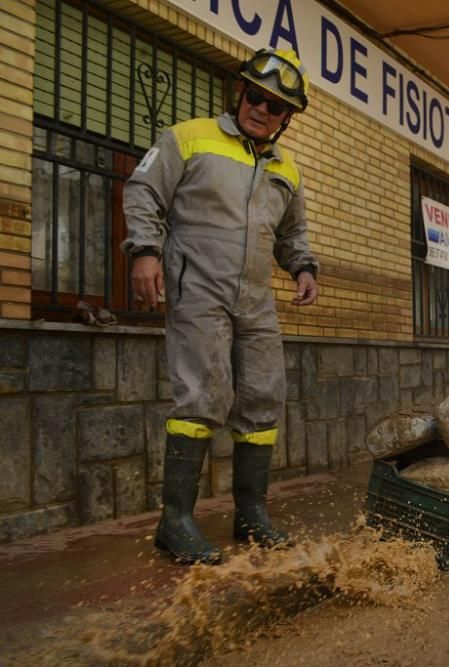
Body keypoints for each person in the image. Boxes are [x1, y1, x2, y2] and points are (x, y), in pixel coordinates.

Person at [122, 48, 319, 564]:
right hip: (197, 287)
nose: (262, 109)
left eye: (276, 106)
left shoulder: (287, 170)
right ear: (240, 92)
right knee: (201, 395)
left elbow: (292, 233)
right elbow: (144, 191)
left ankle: (251, 514)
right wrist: (144, 252)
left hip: (254, 298)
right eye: (256, 95)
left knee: (263, 398)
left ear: (286, 119)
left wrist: (303, 268)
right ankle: (176, 520)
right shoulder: (189, 137)